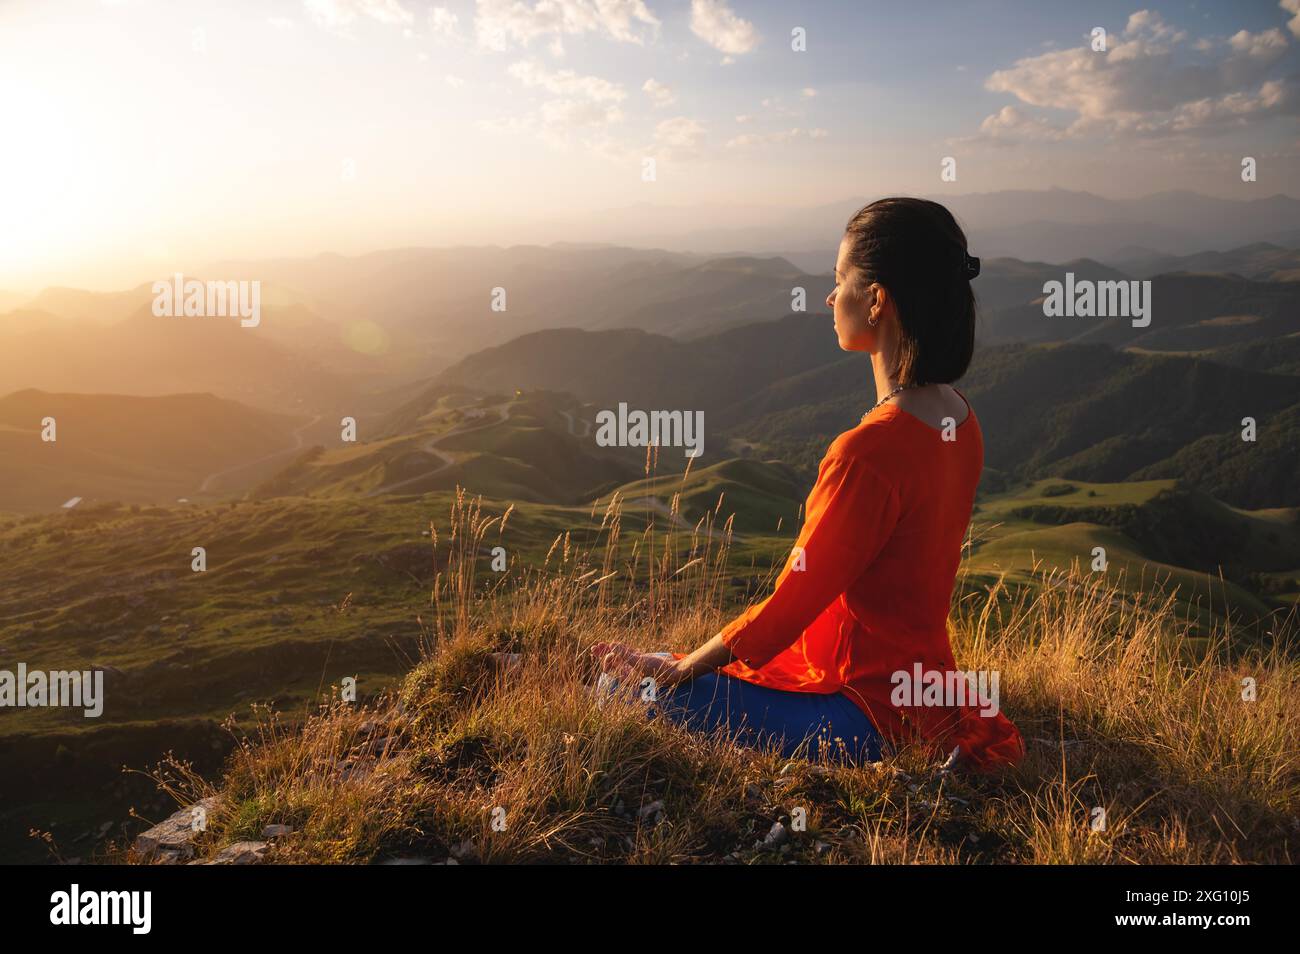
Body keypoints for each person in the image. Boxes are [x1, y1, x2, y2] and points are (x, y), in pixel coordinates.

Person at [593, 197, 1025, 771]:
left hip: (861, 710)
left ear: (875, 300)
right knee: (643, 667)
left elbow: (789, 608)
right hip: (922, 692)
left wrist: (682, 669)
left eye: (839, 279)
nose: (829, 297)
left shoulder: (867, 452)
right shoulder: (960, 420)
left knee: (622, 692)